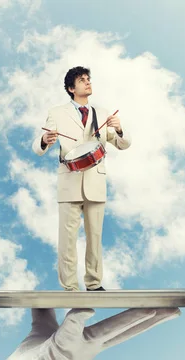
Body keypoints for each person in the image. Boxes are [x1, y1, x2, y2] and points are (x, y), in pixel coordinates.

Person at [32, 66, 132, 291]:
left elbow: (122, 145)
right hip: (69, 181)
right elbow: (38, 148)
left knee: (95, 238)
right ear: (70, 88)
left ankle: (94, 284)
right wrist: (44, 139)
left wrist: (120, 130)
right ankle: (69, 287)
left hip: (95, 182)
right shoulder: (57, 112)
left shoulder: (103, 112)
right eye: (81, 80)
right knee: (67, 240)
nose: (87, 82)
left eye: (88, 79)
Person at [7, 307, 181, 359]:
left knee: (42, 319)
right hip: (31, 349)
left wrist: (54, 353)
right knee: (42, 319)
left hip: (34, 352)